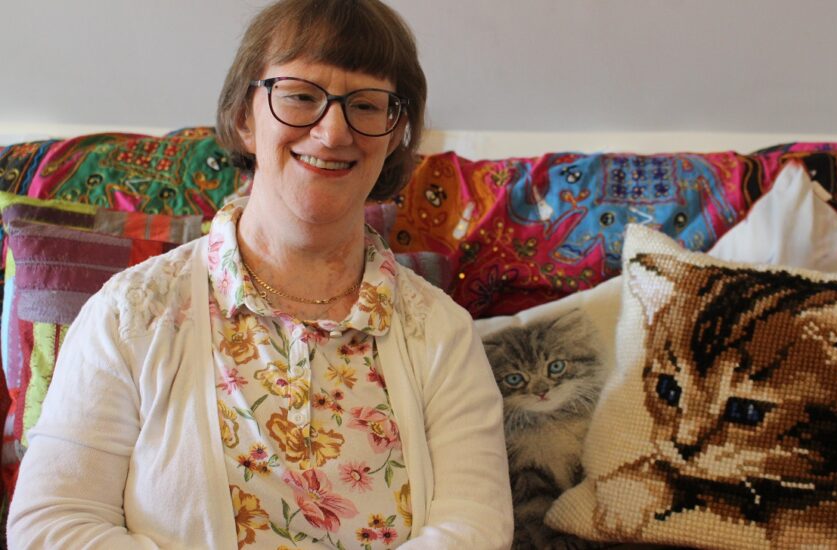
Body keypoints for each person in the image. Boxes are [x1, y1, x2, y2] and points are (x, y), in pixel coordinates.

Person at [6, 0, 513, 547]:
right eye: (300, 96)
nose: (334, 131)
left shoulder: (441, 332)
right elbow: (52, 526)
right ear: (246, 117)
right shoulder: (133, 311)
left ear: (394, 135)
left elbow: (474, 530)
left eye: (367, 106)